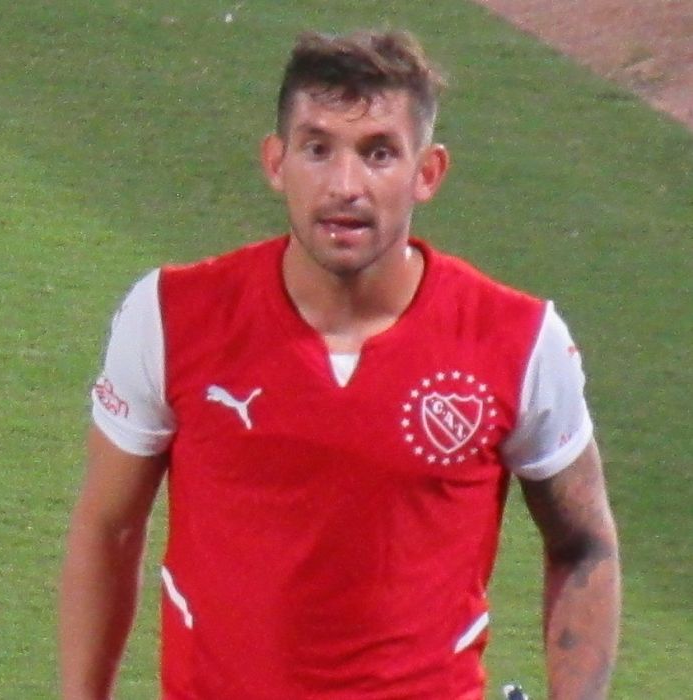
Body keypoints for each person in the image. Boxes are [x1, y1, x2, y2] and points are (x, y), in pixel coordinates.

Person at [59, 30, 621, 700]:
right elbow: (108, 527)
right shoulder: (170, 316)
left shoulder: (518, 340)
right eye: (318, 149)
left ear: (427, 172)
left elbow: (584, 546)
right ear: (276, 162)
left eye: (378, 153)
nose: (345, 186)